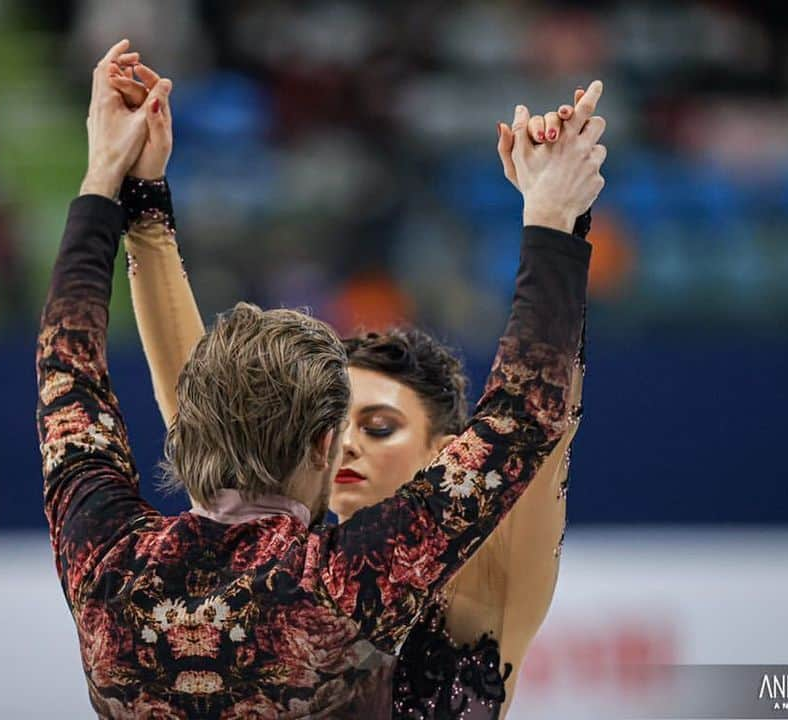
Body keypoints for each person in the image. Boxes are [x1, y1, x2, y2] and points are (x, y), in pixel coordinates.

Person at [112, 55, 603, 719]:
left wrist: (556, 222)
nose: (345, 447)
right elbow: (193, 397)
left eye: (378, 426)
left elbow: (537, 424)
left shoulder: (481, 597)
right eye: (334, 426)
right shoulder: (270, 576)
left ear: (449, 452)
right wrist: (143, 193)